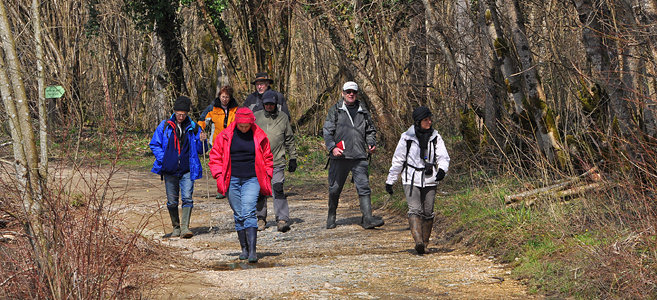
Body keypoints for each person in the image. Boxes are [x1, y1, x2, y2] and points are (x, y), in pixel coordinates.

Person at [209, 107, 273, 263]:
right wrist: (218, 176)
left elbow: (268, 158)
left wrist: (268, 175)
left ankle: (253, 251)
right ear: (236, 122)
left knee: (249, 211)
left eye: (247, 126)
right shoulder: (224, 135)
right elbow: (215, 157)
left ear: (252, 122)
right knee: (238, 214)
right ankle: (243, 249)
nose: (244, 129)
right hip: (232, 179)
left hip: (252, 178)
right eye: (241, 126)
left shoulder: (259, 135)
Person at [385, 106, 450, 255]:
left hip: (430, 178)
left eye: (430, 119)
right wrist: (390, 181)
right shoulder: (407, 137)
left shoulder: (436, 137)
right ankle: (418, 242)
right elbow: (398, 161)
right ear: (418, 121)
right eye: (426, 120)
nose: (429, 122)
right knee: (415, 210)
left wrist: (442, 170)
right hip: (410, 178)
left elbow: (443, 157)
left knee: (428, 211)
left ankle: (425, 244)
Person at [323, 81, 384, 229]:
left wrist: (371, 142)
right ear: (343, 93)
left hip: (359, 156)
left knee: (364, 187)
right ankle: (331, 215)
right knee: (335, 188)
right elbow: (327, 131)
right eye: (348, 91)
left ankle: (368, 218)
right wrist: (332, 148)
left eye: (354, 92)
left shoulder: (363, 110)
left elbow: (370, 130)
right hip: (340, 157)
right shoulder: (335, 110)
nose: (351, 94)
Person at [149, 96, 208, 239]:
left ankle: (185, 228)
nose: (181, 117)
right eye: (178, 114)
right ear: (174, 112)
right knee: (172, 200)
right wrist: (165, 159)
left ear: (187, 114)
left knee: (187, 197)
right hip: (169, 169)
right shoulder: (165, 126)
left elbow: (202, 150)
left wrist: (203, 140)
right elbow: (154, 144)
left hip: (187, 169)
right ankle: (175, 228)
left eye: (184, 114)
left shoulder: (194, 128)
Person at [253, 90, 298, 232]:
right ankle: (260, 218)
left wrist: (293, 157)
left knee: (278, 188)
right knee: (260, 190)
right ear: (263, 104)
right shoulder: (256, 117)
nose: (269, 106)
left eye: (271, 104)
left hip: (277, 160)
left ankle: (282, 219)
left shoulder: (283, 117)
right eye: (266, 104)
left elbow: (289, 139)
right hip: (259, 161)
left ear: (276, 104)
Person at [198, 85, 240, 199]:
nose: (224, 99)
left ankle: (232, 188)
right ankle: (221, 189)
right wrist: (201, 130)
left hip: (232, 141)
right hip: (216, 141)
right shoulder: (212, 108)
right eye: (222, 96)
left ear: (230, 98)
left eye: (227, 97)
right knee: (219, 166)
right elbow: (202, 120)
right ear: (219, 96)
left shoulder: (236, 109)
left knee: (231, 165)